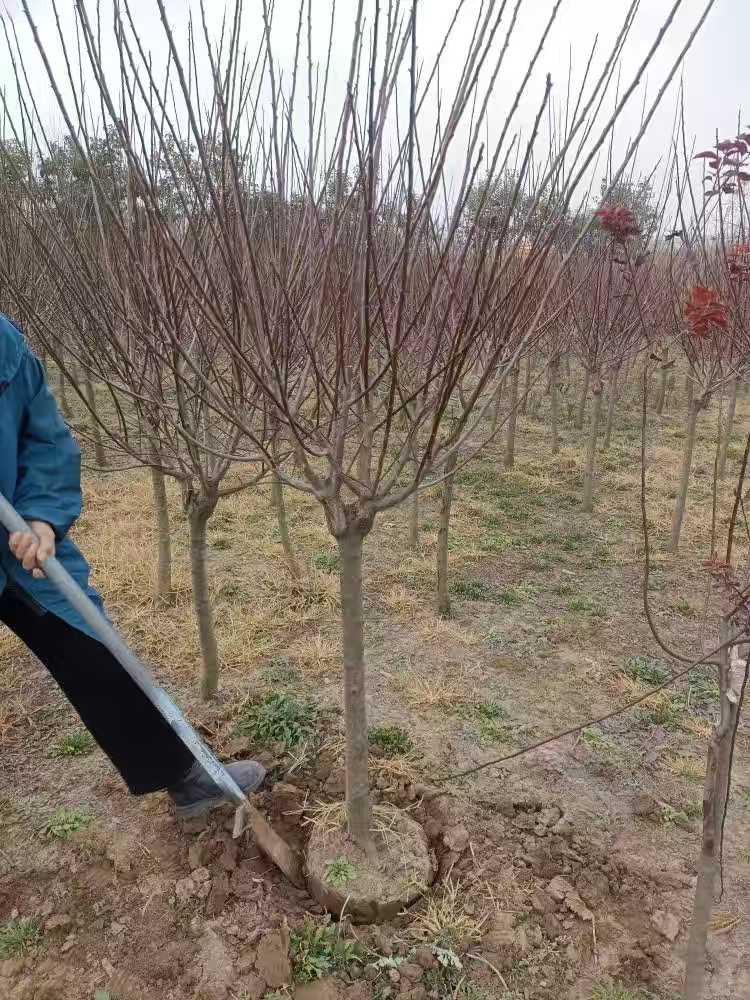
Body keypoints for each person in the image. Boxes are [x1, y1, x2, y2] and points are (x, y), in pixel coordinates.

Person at [0, 313, 264, 817]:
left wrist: (42, 519)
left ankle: (185, 777)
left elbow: (45, 435)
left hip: (16, 533)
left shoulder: (3, 344)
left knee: (93, 643)